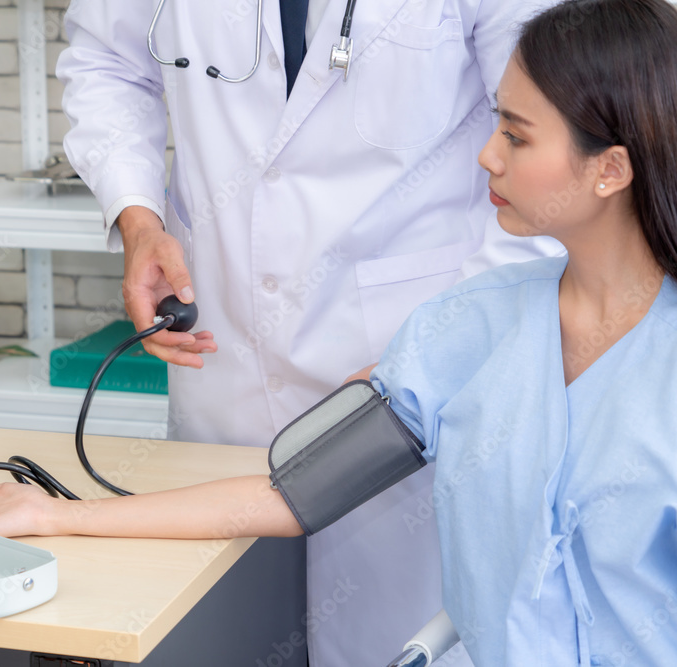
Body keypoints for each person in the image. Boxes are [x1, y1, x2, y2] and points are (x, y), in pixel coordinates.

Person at [0, 0, 677, 663]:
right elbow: (290, 494)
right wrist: (55, 514)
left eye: (512, 134)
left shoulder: (568, 348)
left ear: (610, 169)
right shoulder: (461, 337)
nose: (487, 153)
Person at [54, 1, 562, 664]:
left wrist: (450, 345)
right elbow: (106, 59)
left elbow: (555, 130)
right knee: (220, 626)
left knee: (395, 633)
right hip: (226, 349)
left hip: (410, 359)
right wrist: (137, 217)